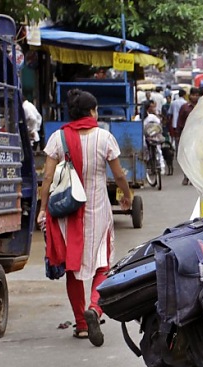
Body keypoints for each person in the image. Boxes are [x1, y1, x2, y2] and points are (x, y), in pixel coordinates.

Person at [37, 89, 132, 346]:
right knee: (103, 264)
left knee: (73, 267)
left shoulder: (58, 138)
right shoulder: (105, 138)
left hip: (68, 212)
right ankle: (95, 308)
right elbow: (119, 175)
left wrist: (43, 209)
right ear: (92, 112)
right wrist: (127, 195)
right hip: (98, 211)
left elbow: (46, 178)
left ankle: (80, 324)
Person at [176, 88, 203, 185]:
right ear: (190, 96)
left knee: (196, 157)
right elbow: (179, 121)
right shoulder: (184, 107)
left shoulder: (202, 107)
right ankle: (186, 176)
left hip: (199, 135)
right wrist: (178, 135)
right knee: (187, 156)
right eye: (193, 95)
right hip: (186, 135)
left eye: (197, 95)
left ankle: (194, 178)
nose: (195, 97)